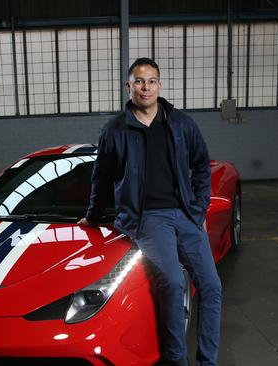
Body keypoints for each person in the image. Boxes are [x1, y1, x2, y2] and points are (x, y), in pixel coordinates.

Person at [78, 58, 221, 366]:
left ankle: (207, 361)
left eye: (152, 81)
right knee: (172, 281)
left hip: (184, 213)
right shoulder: (115, 130)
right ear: (129, 86)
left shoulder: (180, 123)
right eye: (139, 81)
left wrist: (198, 208)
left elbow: (201, 164)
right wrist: (92, 215)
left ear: (160, 85)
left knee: (212, 286)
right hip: (148, 218)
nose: (146, 87)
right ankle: (176, 359)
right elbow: (101, 179)